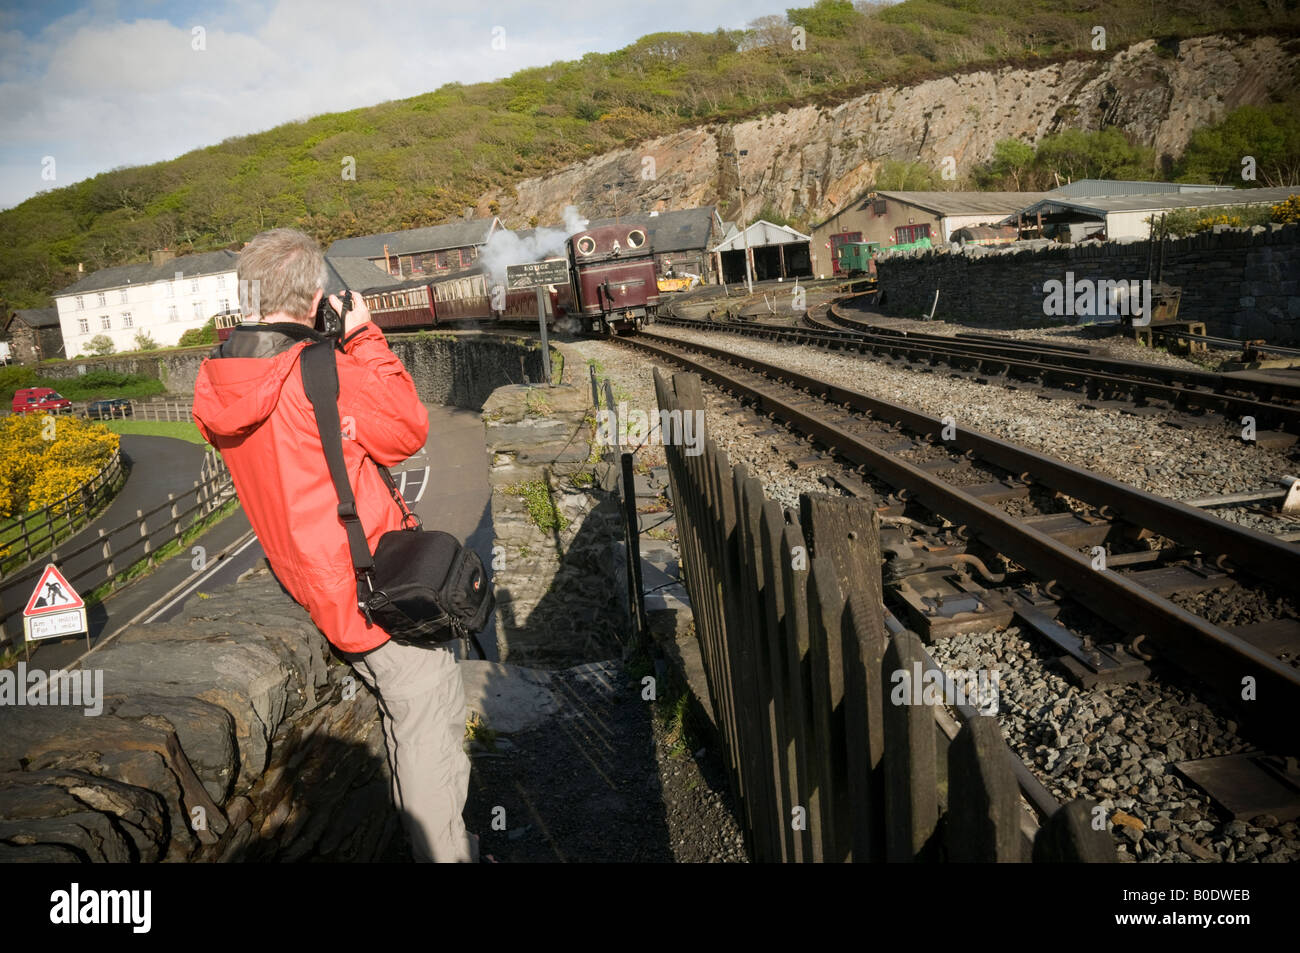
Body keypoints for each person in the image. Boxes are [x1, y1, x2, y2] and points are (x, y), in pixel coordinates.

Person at [192, 228, 477, 863]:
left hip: (308, 582)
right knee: (428, 720)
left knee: (401, 716)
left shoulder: (223, 376)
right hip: (366, 589)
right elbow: (406, 430)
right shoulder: (322, 369)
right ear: (318, 293)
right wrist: (362, 335)